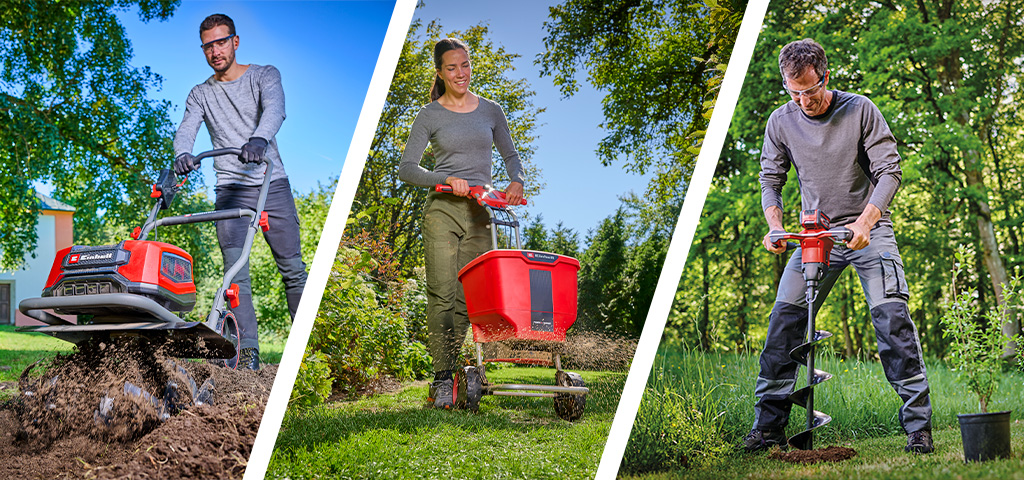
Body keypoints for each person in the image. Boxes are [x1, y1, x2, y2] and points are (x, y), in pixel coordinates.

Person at [744, 39, 933, 453]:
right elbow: (770, 180)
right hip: (815, 234)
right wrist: (775, 226)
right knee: (783, 324)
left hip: (867, 230)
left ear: (825, 76)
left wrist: (868, 220)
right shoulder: (781, 121)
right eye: (793, 92)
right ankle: (768, 427)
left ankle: (918, 428)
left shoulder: (860, 109)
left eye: (810, 91)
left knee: (892, 321)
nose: (802, 100)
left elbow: (889, 171)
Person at [172, 13, 307, 370]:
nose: (215, 51)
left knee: (293, 270)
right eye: (207, 46)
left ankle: (307, 345)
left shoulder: (265, 75)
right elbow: (187, 128)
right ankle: (247, 352)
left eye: (221, 42)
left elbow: (275, 110)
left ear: (235, 41)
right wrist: (183, 154)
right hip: (229, 191)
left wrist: (260, 139)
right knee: (235, 274)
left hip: (270, 183)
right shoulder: (200, 93)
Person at [398, 38, 526, 409]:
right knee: (442, 292)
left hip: (481, 214)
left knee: (469, 298)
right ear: (439, 72)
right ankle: (442, 377)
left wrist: (516, 179)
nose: (461, 74)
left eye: (466, 65)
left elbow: (510, 154)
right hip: (443, 210)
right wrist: (442, 179)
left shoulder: (491, 111)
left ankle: (454, 370)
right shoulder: (430, 115)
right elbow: (407, 169)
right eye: (452, 68)